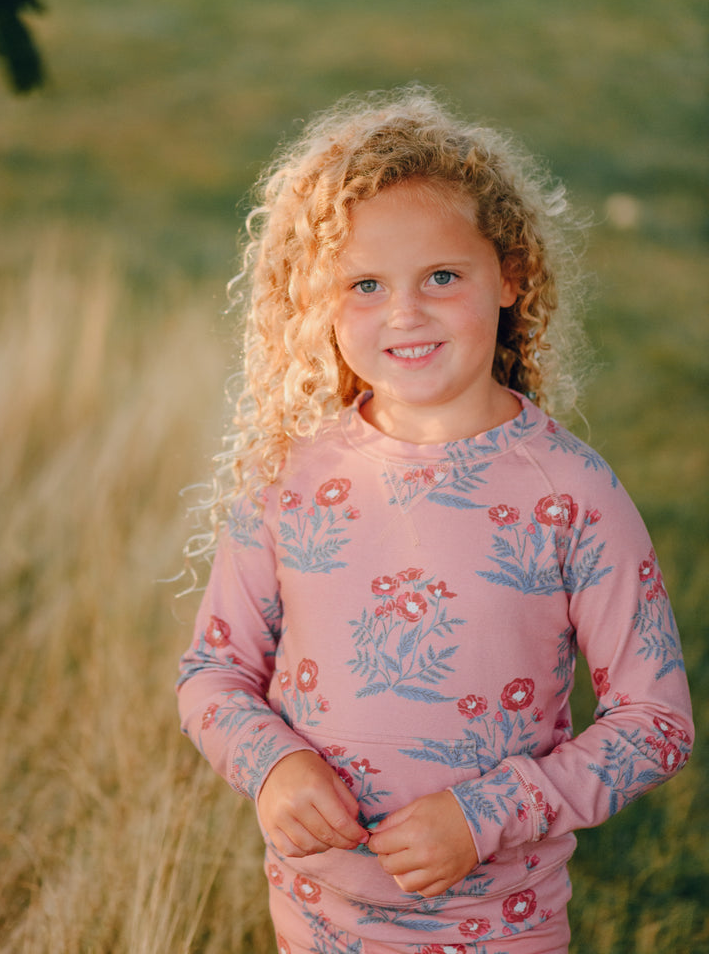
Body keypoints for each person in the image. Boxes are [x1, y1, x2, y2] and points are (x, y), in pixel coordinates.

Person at [176, 87, 693, 954]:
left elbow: (657, 721)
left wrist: (486, 814)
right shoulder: (291, 479)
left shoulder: (569, 494)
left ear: (511, 273)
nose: (404, 313)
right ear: (316, 299)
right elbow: (213, 671)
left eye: (442, 277)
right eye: (364, 284)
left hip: (496, 924)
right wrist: (271, 765)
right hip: (314, 920)